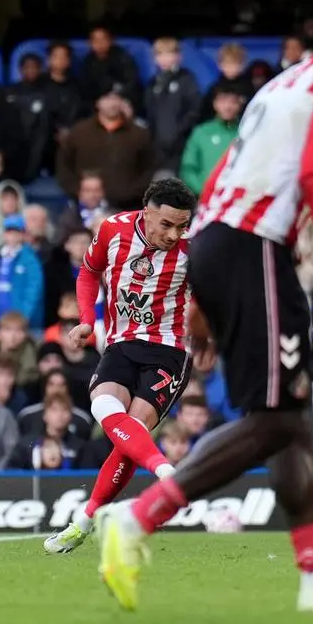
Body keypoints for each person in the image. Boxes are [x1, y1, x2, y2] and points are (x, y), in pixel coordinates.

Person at [94, 0, 313, 614]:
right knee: (277, 421)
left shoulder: (284, 84)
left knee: (296, 419)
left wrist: (202, 301)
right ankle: (138, 519)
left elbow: (218, 177)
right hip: (253, 247)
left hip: (221, 243)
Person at [42, 178, 198, 554]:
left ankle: (85, 519)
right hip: (121, 343)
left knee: (132, 433)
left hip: (169, 351)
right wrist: (84, 318)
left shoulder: (195, 250)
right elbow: (88, 272)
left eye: (182, 225)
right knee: (106, 409)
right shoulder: (113, 229)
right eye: (167, 224)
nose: (174, 234)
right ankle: (165, 474)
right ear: (147, 213)